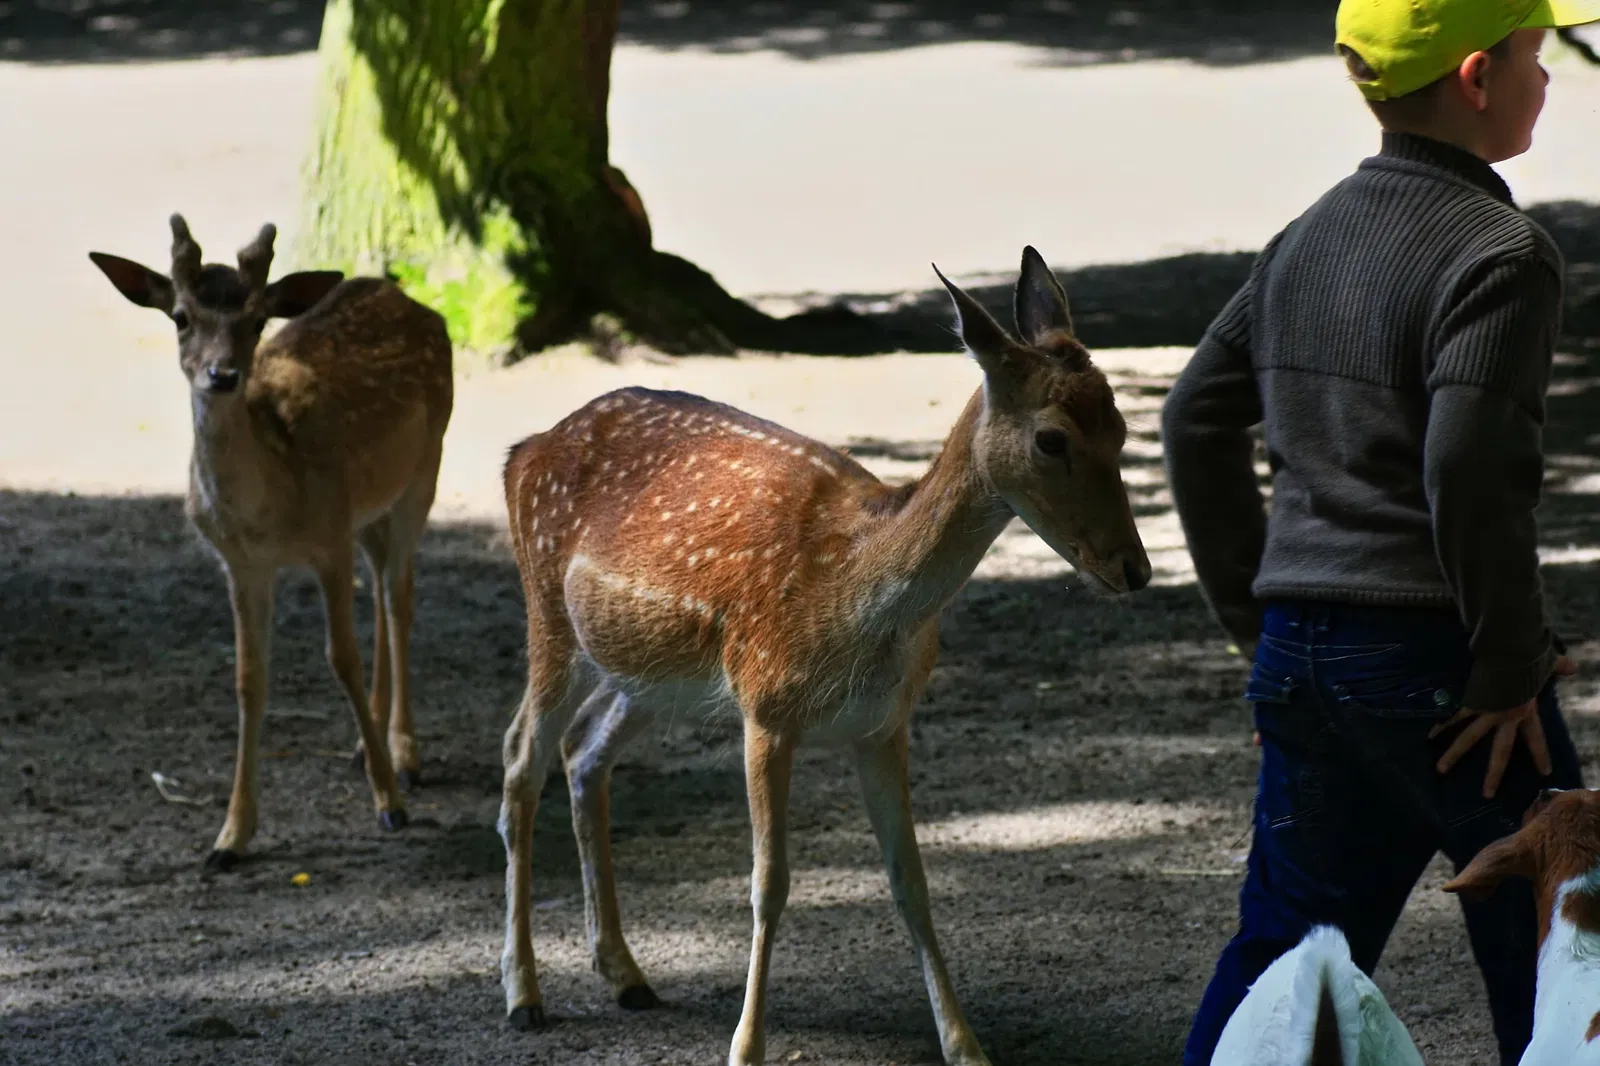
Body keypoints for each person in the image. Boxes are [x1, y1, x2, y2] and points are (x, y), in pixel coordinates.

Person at [1160, 2, 1600, 1064]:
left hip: (1302, 657)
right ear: (1476, 77)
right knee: (1556, 946)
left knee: (1282, 954)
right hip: (1446, 670)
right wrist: (1508, 664)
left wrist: (1259, 627)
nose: (1548, 79)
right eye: (1535, 55)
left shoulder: (1304, 238)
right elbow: (1470, 468)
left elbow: (1192, 417)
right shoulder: (1502, 252)